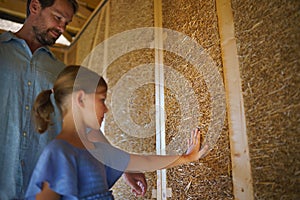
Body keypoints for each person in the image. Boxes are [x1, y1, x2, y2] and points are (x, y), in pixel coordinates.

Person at [0, 0, 146, 199]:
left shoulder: (61, 72)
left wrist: (121, 164)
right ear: (35, 7)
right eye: (58, 18)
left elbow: (85, 126)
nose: (61, 28)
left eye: (66, 23)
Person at [25, 65, 209, 199]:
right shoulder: (58, 153)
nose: (105, 109)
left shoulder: (99, 151)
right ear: (80, 99)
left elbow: (144, 161)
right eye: (101, 100)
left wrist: (187, 157)